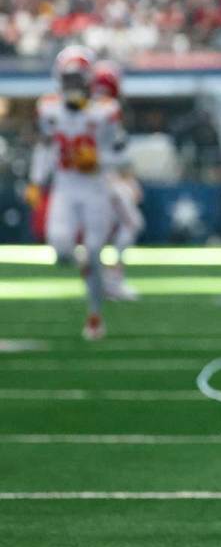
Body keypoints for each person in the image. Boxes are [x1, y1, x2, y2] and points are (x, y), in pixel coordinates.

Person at [30, 46, 122, 340]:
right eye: (67, 79)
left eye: (76, 79)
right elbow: (45, 146)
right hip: (66, 187)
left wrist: (99, 160)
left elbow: (121, 152)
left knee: (94, 252)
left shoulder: (105, 110)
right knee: (59, 247)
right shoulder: (49, 108)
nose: (72, 85)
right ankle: (84, 267)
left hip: (95, 188)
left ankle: (95, 316)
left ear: (88, 80)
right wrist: (36, 180)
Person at [92, 60, 143, 302]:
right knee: (131, 223)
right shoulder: (106, 110)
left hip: (99, 178)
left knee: (107, 230)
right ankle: (110, 280)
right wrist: (128, 179)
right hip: (101, 178)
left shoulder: (92, 109)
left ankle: (104, 280)